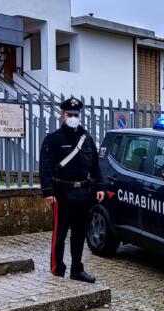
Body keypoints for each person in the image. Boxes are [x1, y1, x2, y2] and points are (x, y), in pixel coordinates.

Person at [39, 97, 104, 283]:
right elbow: (45, 167)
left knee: (79, 233)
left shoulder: (87, 138)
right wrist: (48, 191)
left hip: (83, 194)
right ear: (63, 115)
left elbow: (95, 166)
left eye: (76, 114)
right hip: (62, 194)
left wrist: (99, 186)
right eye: (70, 114)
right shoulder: (54, 139)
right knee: (60, 234)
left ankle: (77, 269)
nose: (73, 117)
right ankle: (57, 269)